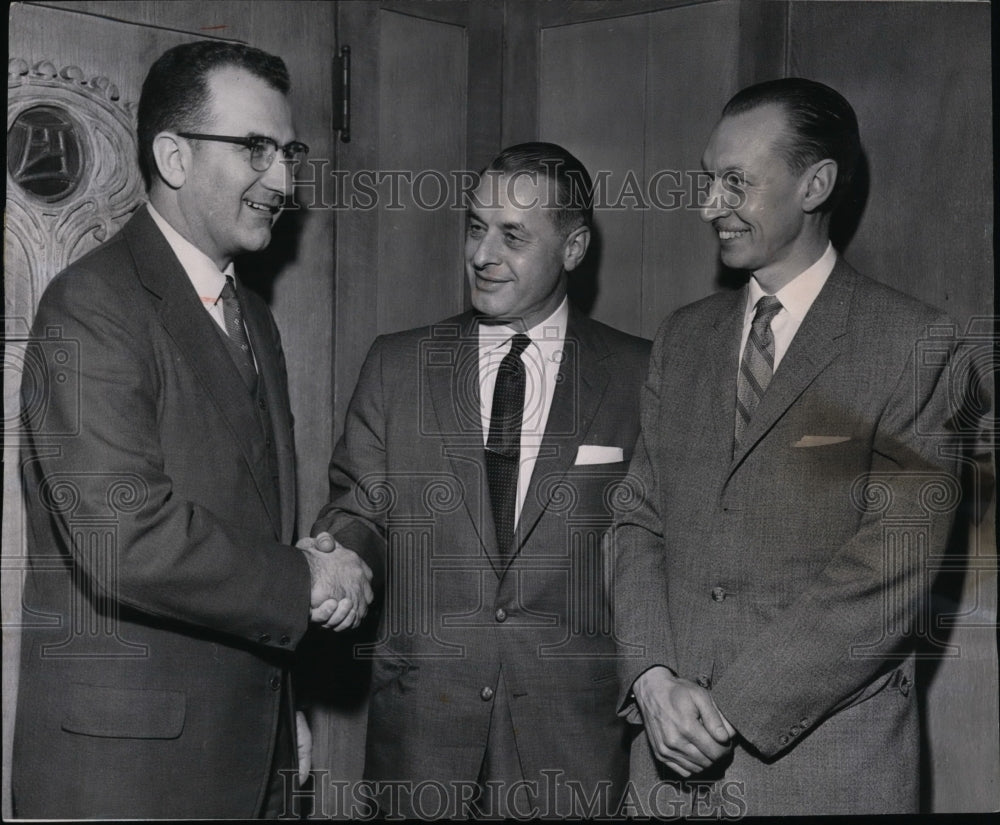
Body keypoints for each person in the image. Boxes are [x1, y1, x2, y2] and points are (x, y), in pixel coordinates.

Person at [12, 40, 372, 819]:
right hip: (128, 777)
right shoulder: (92, 306)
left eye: (288, 151)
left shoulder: (252, 317)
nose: (282, 180)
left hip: (246, 755)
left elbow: (243, 518)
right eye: (254, 149)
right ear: (172, 156)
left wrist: (280, 716)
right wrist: (304, 578)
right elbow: (127, 535)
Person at [611, 77, 969, 816]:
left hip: (823, 777)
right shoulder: (682, 337)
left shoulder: (914, 343)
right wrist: (649, 678)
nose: (709, 204)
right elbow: (637, 519)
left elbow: (893, 565)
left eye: (734, 182)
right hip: (664, 772)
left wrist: (727, 709)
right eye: (708, 179)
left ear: (816, 184)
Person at [310, 143, 650, 818]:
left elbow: (654, 549)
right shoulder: (398, 364)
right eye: (474, 227)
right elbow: (362, 508)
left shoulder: (640, 374)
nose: (481, 254)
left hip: (571, 746)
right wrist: (339, 554)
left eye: (513, 236)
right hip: (421, 739)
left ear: (574, 247)